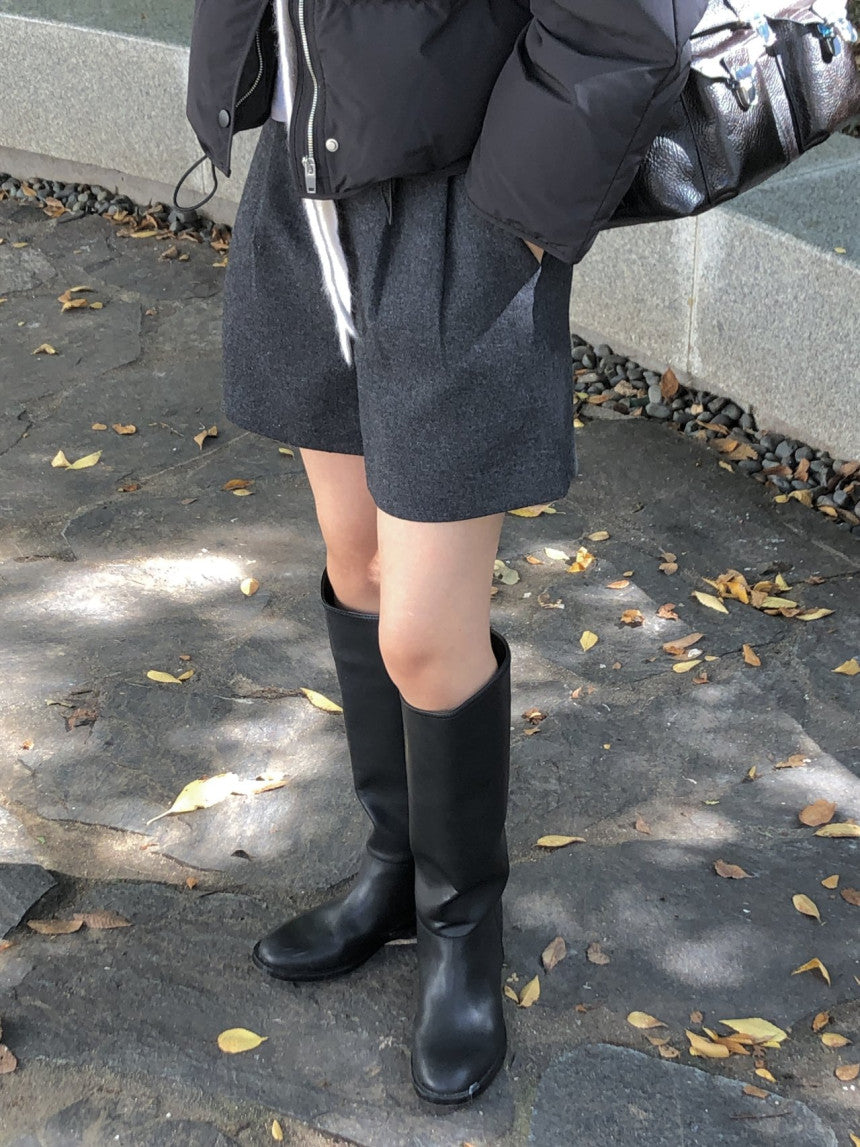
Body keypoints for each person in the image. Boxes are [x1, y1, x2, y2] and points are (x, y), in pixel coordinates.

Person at [174, 0, 708, 1105]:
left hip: (457, 201)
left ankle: (462, 923)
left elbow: (628, 21)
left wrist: (514, 216)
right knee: (358, 565)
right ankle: (395, 868)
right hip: (308, 177)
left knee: (423, 633)